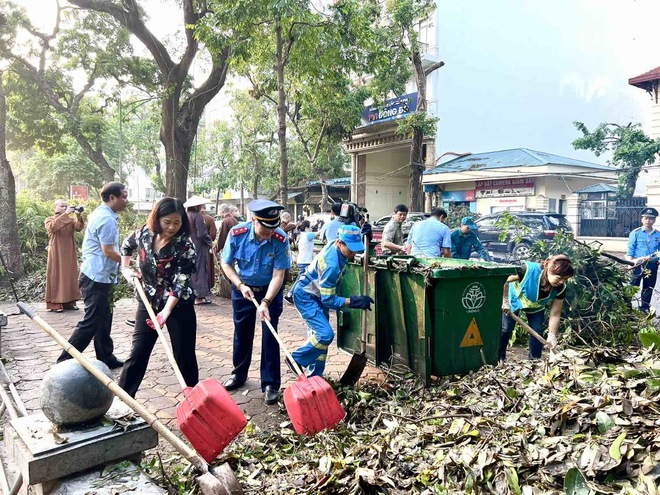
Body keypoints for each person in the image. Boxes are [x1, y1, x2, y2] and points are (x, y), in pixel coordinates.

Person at [118, 198, 198, 398]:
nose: (172, 227)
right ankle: (124, 400)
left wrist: (166, 312)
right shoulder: (145, 233)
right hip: (148, 300)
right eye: (167, 222)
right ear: (157, 219)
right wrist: (125, 269)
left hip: (178, 306)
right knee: (138, 352)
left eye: (177, 222)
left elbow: (181, 283)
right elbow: (126, 246)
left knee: (184, 356)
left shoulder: (185, 247)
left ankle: (196, 402)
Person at [220, 199, 291, 405]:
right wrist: (241, 285)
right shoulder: (237, 234)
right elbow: (226, 264)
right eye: (265, 227)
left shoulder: (280, 238)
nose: (270, 232)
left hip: (270, 291)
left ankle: (270, 384)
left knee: (270, 334)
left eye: (273, 227)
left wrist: (266, 301)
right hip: (243, 289)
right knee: (242, 333)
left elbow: (279, 274)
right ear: (253, 220)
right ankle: (238, 374)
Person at [57, 182, 128, 369]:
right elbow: (109, 252)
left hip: (100, 275)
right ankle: (64, 361)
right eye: (124, 197)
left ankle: (106, 356)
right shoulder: (106, 219)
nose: (126, 201)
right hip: (96, 277)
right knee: (92, 321)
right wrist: (132, 264)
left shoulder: (103, 214)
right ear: (112, 198)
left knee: (105, 317)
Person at [290, 225, 373, 376]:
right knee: (325, 335)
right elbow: (328, 300)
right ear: (340, 243)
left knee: (320, 342)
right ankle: (296, 358)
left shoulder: (336, 245)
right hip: (306, 297)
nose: (354, 253)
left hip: (316, 296)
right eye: (351, 249)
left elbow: (345, 226)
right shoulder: (331, 265)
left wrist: (367, 238)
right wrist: (354, 301)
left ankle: (315, 376)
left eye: (357, 248)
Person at [500, 254, 575, 361]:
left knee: (537, 332)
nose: (562, 282)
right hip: (513, 299)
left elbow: (555, 314)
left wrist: (552, 335)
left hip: (535, 306)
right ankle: (499, 358)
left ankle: (535, 361)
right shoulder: (527, 270)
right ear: (549, 269)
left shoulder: (560, 288)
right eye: (559, 278)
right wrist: (505, 300)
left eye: (565, 279)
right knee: (506, 329)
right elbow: (505, 279)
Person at [45, 199, 85, 312]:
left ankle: (69, 302)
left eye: (65, 206)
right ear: (55, 207)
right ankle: (56, 303)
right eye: (62, 206)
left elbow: (79, 227)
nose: (64, 208)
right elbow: (52, 227)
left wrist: (79, 215)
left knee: (69, 276)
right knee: (56, 275)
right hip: (56, 252)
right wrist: (66, 214)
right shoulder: (50, 219)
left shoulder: (70, 220)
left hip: (69, 252)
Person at [626, 207, 660, 313]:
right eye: (646, 218)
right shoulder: (636, 233)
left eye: (651, 219)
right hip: (638, 264)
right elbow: (630, 249)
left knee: (648, 287)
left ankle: (644, 308)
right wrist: (630, 263)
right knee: (633, 285)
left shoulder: (658, 235)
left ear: (654, 220)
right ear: (642, 219)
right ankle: (626, 306)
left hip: (652, 265)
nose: (648, 221)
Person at [185, 196, 214, 305]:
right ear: (197, 206)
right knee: (200, 269)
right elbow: (202, 233)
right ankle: (199, 297)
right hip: (198, 246)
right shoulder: (197, 217)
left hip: (187, 246)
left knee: (190, 270)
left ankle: (191, 294)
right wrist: (210, 242)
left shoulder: (185, 216)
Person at [285, 220, 316, 304]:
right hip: (306, 261)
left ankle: (293, 294)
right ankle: (290, 294)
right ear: (306, 228)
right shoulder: (308, 234)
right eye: (310, 227)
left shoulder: (301, 235)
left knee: (303, 279)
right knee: (301, 279)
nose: (311, 229)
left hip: (302, 260)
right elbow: (319, 233)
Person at [214, 203, 239, 299]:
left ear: (222, 211)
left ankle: (229, 292)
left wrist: (217, 248)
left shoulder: (226, 221)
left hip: (229, 249)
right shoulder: (234, 220)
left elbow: (222, 237)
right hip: (236, 249)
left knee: (227, 269)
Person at [201, 203, 218, 292]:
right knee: (207, 267)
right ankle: (207, 287)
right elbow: (213, 235)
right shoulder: (209, 219)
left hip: (193, 248)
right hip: (206, 247)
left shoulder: (189, 218)